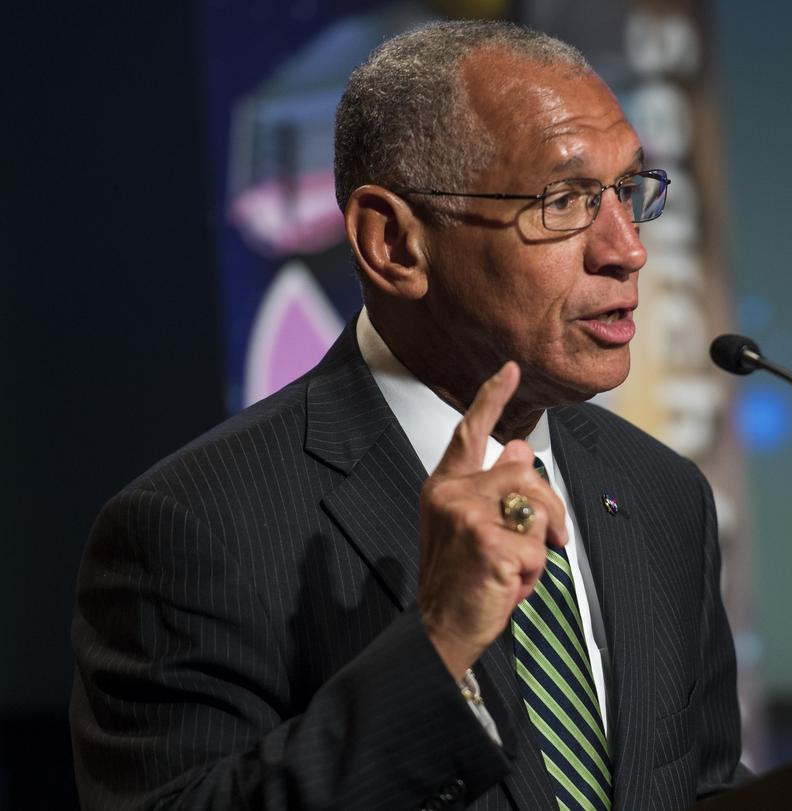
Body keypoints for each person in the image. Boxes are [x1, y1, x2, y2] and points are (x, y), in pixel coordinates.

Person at [70, 20, 747, 811]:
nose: (626, 247)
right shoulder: (192, 525)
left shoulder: (662, 491)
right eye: (565, 200)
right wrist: (439, 645)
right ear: (393, 242)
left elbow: (702, 786)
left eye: (628, 191)